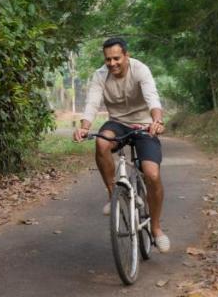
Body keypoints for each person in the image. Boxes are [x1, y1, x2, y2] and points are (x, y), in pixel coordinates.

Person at [71, 37, 170, 252]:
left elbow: (153, 99)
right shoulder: (99, 76)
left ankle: (156, 228)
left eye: (116, 58)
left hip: (144, 125)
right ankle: (112, 195)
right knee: (101, 143)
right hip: (117, 123)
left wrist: (157, 121)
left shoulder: (141, 70)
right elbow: (92, 104)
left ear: (126, 55)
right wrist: (84, 127)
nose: (112, 63)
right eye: (108, 59)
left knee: (152, 175)